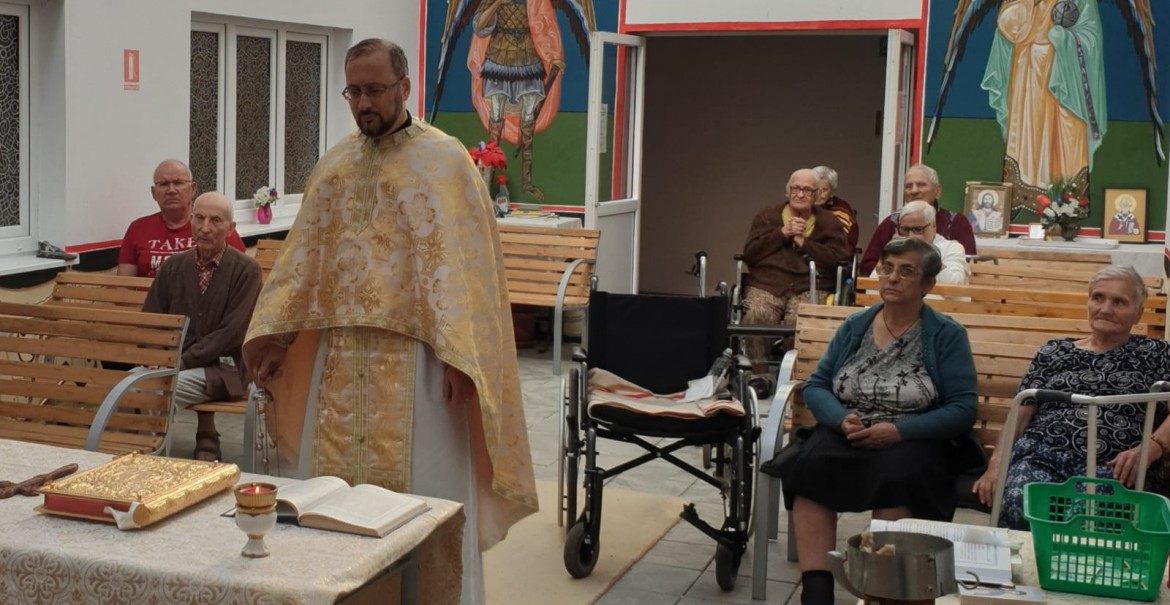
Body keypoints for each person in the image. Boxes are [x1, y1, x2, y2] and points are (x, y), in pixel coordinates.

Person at [241, 39, 537, 605]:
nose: (363, 103)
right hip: (338, 366)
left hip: (422, 369)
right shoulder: (334, 165)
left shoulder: (446, 161)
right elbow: (304, 261)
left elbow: (470, 273)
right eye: (353, 91)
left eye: (375, 90)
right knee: (328, 501)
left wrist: (464, 360)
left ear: (404, 87)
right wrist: (278, 337)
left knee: (425, 500)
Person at [769, 237, 979, 605]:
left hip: (913, 437)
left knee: (898, 477)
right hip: (850, 429)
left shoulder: (946, 334)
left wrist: (898, 431)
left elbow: (962, 408)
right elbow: (817, 385)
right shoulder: (856, 325)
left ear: (928, 284)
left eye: (906, 271)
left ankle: (887, 589)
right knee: (811, 466)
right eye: (887, 268)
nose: (892, 278)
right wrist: (840, 420)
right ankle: (816, 592)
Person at [972, 265, 1170, 529]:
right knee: (1020, 505)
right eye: (1098, 298)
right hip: (1041, 454)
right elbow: (1020, 413)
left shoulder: (1157, 353)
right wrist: (996, 465)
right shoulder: (1054, 351)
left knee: (1086, 519)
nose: (1105, 308)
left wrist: (1150, 449)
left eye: (1118, 302)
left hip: (1113, 464)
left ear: (1138, 313)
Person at [142, 192, 262, 462]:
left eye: (215, 220)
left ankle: (152, 457)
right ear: (191, 222)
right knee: (129, 384)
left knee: (157, 390)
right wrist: (155, 357)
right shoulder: (173, 267)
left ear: (231, 228)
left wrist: (180, 362)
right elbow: (152, 319)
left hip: (224, 369)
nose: (205, 228)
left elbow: (231, 334)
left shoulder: (247, 271)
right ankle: (144, 451)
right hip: (173, 365)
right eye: (199, 218)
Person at [981, 0, 1105, 199]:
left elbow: (1091, 38)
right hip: (1027, 74)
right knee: (1028, 128)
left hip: (1065, 79)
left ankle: (1068, 199)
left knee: (1066, 133)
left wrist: (1064, 39)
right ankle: (1024, 193)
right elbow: (1008, 27)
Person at [741, 168, 851, 385]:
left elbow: (839, 260)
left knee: (800, 322)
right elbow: (750, 254)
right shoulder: (767, 216)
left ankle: (793, 377)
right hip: (768, 284)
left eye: (808, 190)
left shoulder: (829, 222)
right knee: (756, 315)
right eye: (796, 189)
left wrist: (804, 243)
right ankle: (760, 375)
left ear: (817, 195)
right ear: (787, 191)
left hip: (810, 285)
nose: (800, 194)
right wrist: (782, 233)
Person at [118, 159, 246, 278]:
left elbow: (242, 275)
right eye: (164, 184)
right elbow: (122, 286)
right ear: (154, 193)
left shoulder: (218, 227)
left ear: (193, 189)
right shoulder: (138, 228)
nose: (171, 190)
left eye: (178, 183)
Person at [859, 164, 976, 275]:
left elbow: (969, 266)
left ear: (937, 191)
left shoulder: (956, 222)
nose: (914, 191)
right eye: (908, 186)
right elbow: (867, 265)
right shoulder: (891, 222)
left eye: (921, 185)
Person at [881, 201, 970, 285]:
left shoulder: (951, 248)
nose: (910, 236)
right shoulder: (896, 246)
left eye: (918, 229)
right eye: (905, 229)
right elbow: (876, 281)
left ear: (933, 226)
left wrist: (923, 252)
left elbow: (953, 284)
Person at [812, 165, 859, 250]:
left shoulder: (841, 209)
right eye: (815, 189)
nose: (818, 194)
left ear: (832, 192)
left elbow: (838, 243)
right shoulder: (803, 205)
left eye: (824, 190)